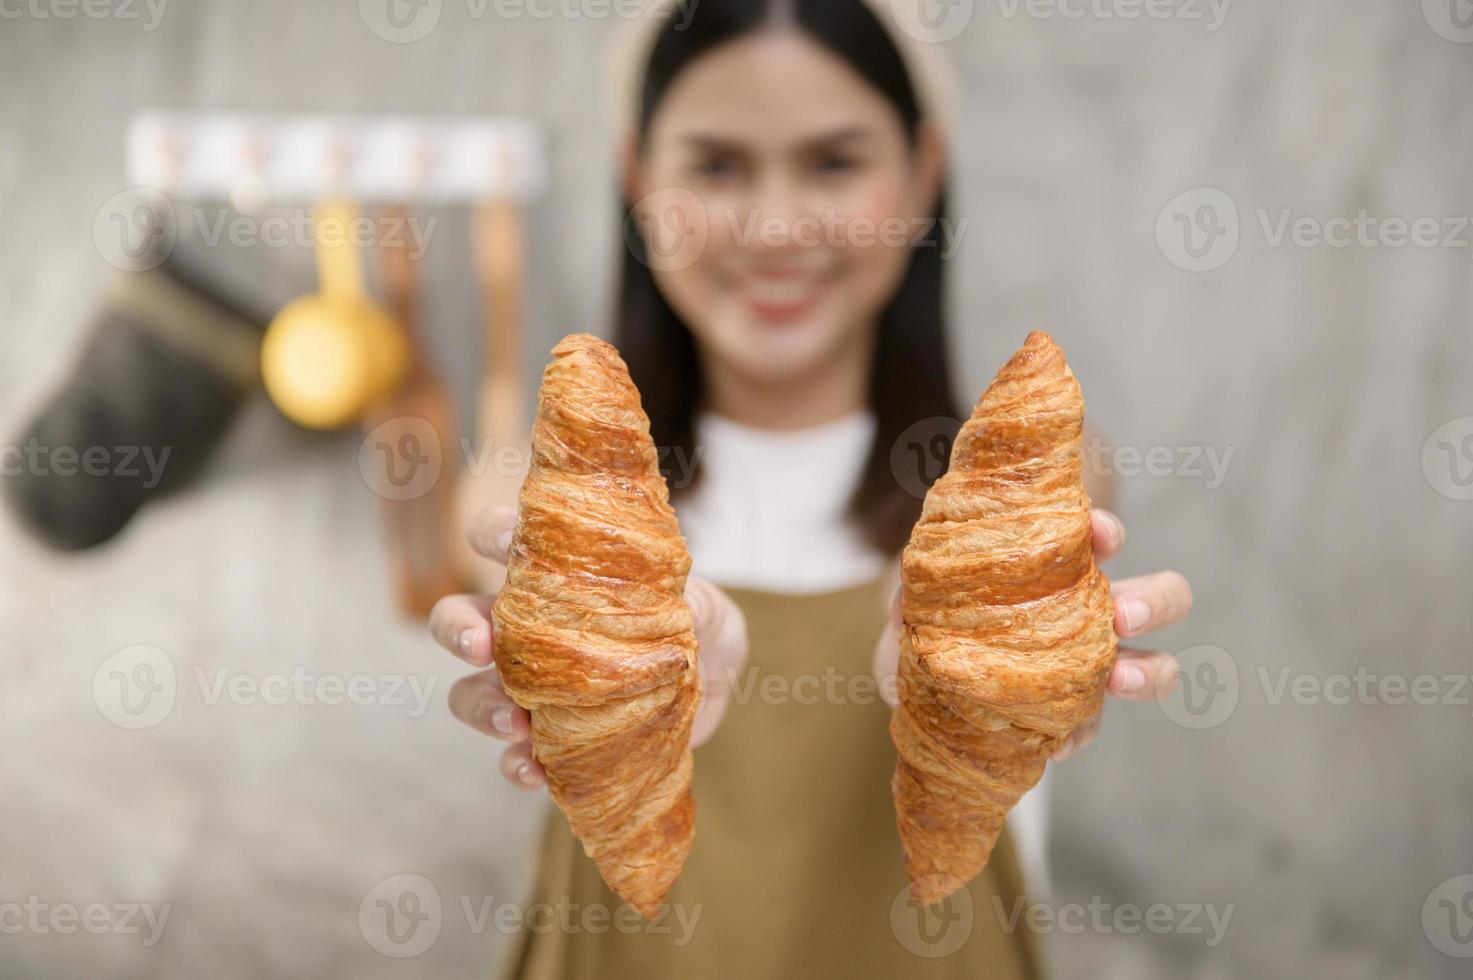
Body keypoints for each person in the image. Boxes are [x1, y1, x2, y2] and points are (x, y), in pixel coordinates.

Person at [429, 1, 1194, 976]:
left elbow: (966, 641)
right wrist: (591, 675)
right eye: (716, 164)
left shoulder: (1041, 483)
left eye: (834, 162)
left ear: (922, 173)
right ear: (635, 178)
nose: (777, 225)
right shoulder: (528, 495)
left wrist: (963, 676)